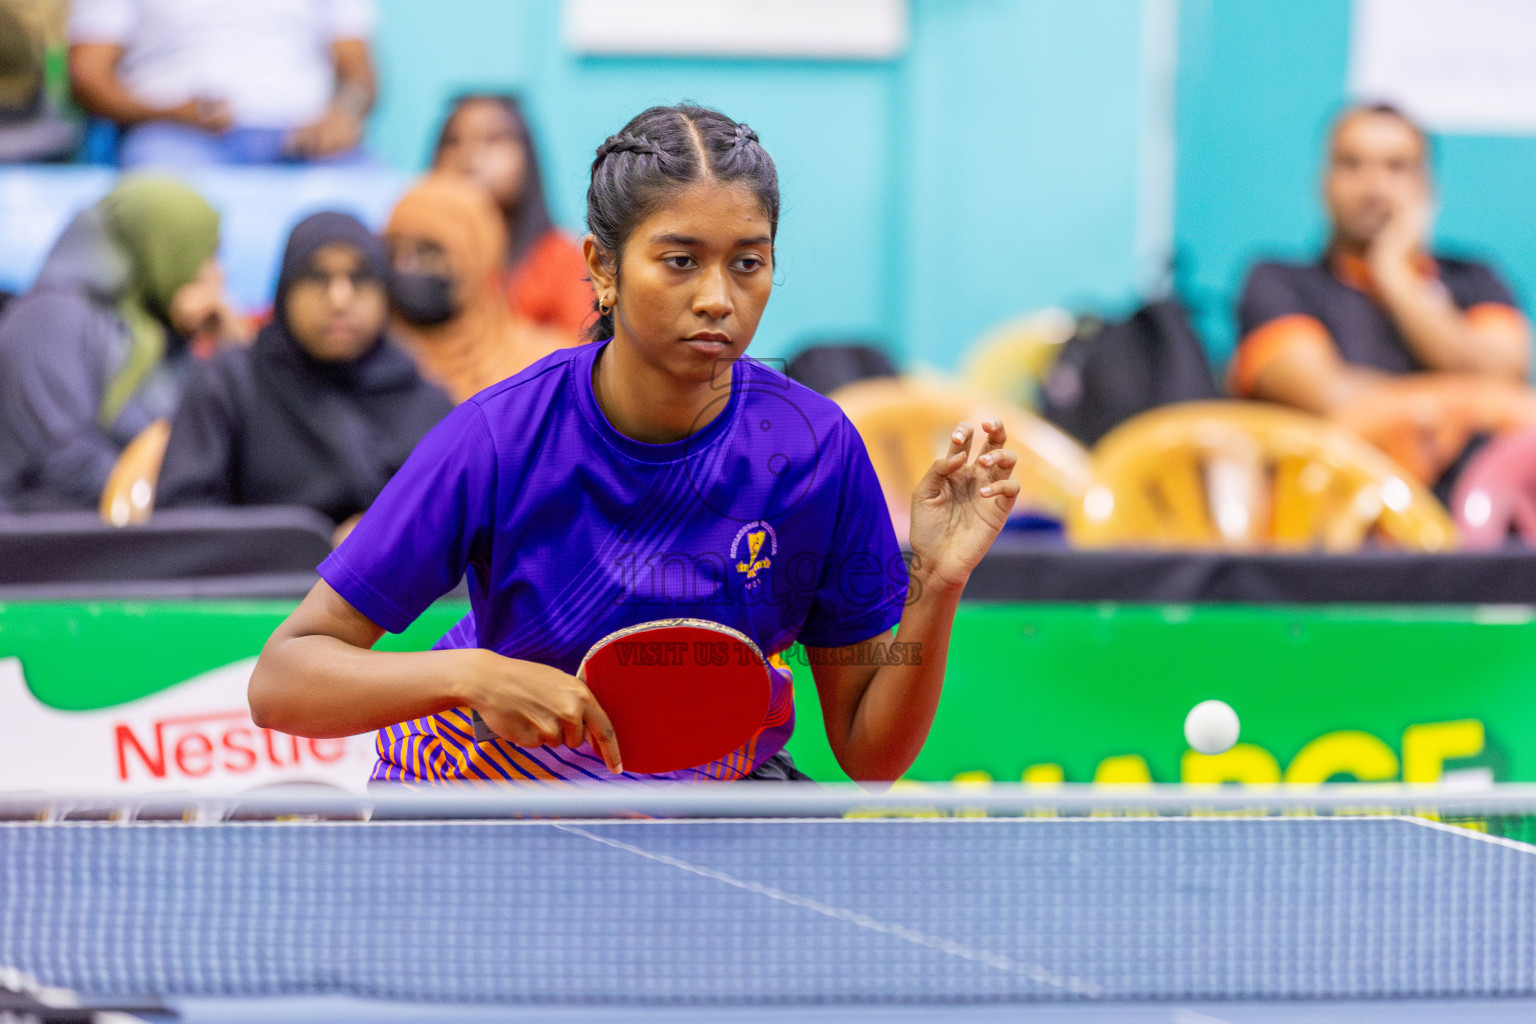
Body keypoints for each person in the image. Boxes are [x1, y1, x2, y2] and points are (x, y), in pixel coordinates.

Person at [249, 104, 1021, 785]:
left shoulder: (814, 451)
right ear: (603, 268)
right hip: (490, 797)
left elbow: (868, 754)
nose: (718, 297)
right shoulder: (500, 437)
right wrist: (470, 676)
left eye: (747, 263)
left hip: (710, 805)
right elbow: (283, 680)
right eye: (680, 261)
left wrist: (936, 581)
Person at [1231, 103, 1536, 490]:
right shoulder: (1276, 281)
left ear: (1427, 187)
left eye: (1396, 167)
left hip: (1473, 520)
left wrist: (1395, 277)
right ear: (1323, 184)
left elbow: (1504, 377)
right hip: (1326, 518)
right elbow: (1322, 395)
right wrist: (1469, 407)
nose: (1374, 188)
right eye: (1352, 165)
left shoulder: (1478, 280)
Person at [156, 211, 452, 529]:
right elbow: (183, 521)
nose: (340, 299)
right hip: (265, 576)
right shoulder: (230, 386)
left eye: (361, 277)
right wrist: (317, 555)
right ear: (285, 291)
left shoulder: (424, 400)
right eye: (317, 277)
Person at [0, 175, 243, 512]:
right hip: (46, 537)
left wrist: (232, 355)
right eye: (206, 254)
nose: (219, 274)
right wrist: (169, 491)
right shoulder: (52, 317)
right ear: (161, 248)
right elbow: (61, 459)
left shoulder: (158, 333)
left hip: (138, 534)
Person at [67, 0, 376, 168]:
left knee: (387, 206)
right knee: (165, 203)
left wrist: (341, 116)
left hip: (303, 141)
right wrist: (173, 113)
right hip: (177, 138)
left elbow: (360, 75)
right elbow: (87, 77)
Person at [384, 173, 571, 403]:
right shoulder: (368, 366)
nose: (405, 267)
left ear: (476, 256)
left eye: (427, 252)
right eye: (393, 251)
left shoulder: (544, 369)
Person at [431, 94, 594, 340]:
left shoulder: (563, 258)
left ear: (527, 155)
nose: (469, 156)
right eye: (453, 141)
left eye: (492, 139)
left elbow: (582, 353)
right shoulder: (418, 254)